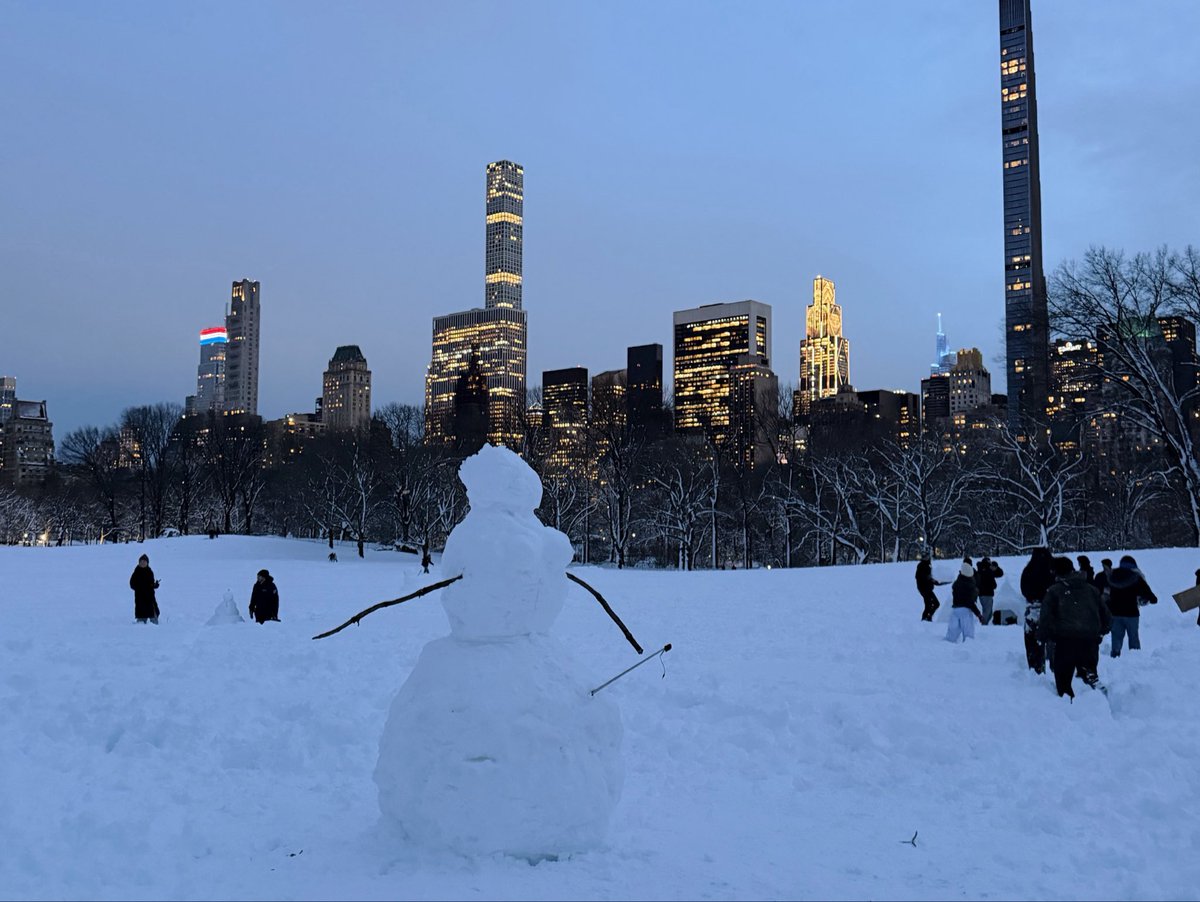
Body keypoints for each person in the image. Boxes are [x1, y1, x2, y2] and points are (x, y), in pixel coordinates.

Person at [1039, 556, 1110, 699]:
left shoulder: (1054, 591)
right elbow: (1105, 614)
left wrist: (1043, 636)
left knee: (1063, 682)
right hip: (1089, 640)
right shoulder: (1091, 589)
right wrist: (1102, 631)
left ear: (1055, 572)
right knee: (1088, 670)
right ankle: (1094, 691)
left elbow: (1046, 617)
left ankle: (1069, 710)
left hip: (1065, 641)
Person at [1105, 554, 1157, 657]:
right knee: (1133, 637)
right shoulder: (1136, 578)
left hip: (1115, 613)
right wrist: (1152, 599)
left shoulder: (1111, 576)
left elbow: (1105, 593)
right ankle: (1135, 658)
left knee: (1116, 636)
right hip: (1131, 613)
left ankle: (1115, 655)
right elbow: (1149, 594)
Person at [1020, 547, 1055, 674]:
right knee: (1052, 640)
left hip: (1033, 609)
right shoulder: (1052, 571)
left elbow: (1023, 590)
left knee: (1032, 641)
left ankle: (1036, 668)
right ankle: (1055, 667)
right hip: (1050, 609)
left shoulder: (1028, 571)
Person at [946, 561, 986, 642]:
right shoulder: (969, 586)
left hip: (955, 610)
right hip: (965, 612)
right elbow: (970, 602)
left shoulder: (957, 583)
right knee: (968, 636)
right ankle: (967, 650)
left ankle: (947, 649)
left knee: (951, 635)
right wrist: (978, 614)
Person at [129, 553, 160, 624]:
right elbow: (132, 584)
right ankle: (141, 626)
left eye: (144, 561)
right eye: (141, 561)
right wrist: (139, 588)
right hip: (140, 597)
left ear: (147, 563)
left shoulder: (150, 572)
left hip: (149, 597)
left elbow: (151, 584)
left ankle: (155, 626)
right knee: (141, 613)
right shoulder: (136, 572)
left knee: (153, 611)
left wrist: (155, 585)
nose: (143, 563)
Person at [916, 554, 947, 622]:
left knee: (932, 604)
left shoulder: (927, 565)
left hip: (927, 589)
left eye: (927, 556)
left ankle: (927, 618)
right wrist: (930, 579)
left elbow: (930, 578)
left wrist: (938, 582)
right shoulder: (922, 565)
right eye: (925, 557)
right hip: (924, 589)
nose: (927, 558)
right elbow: (922, 577)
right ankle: (926, 619)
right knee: (932, 604)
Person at [975, 556, 1004, 625]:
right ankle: (983, 626)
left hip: (982, 594)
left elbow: (1000, 573)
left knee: (988, 612)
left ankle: (984, 625)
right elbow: (994, 584)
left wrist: (995, 567)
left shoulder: (980, 570)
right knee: (987, 612)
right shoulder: (988, 572)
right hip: (987, 594)